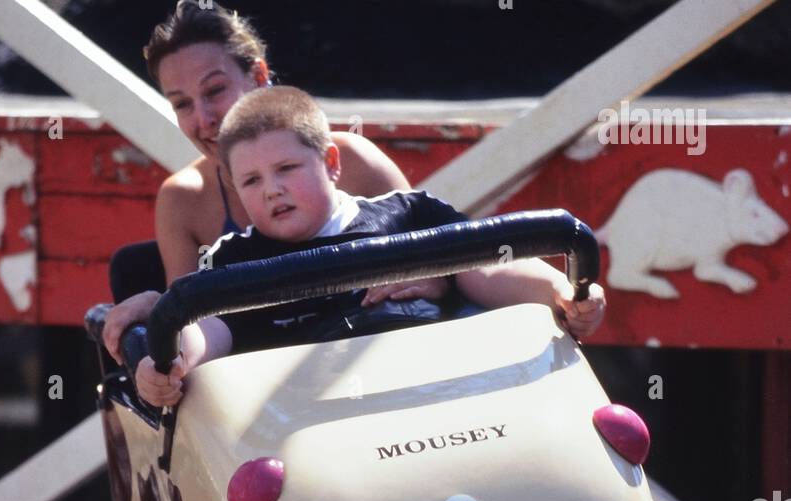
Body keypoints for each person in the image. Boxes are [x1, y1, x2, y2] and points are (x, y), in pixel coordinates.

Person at [136, 85, 606, 406]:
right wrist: (170, 361)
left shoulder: (408, 215)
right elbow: (208, 327)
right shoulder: (233, 260)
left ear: (332, 163)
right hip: (314, 424)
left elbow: (489, 269)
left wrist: (560, 292)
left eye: (287, 169)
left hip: (443, 393)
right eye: (252, 181)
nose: (271, 190)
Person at [103, 0, 429, 362]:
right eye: (182, 104)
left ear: (259, 76)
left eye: (214, 91)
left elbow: (430, 259)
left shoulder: (354, 158)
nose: (204, 118)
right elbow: (190, 329)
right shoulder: (184, 199)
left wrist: (435, 280)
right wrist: (158, 305)